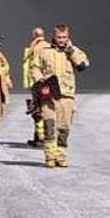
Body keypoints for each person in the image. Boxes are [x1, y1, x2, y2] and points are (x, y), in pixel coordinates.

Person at [29, 24, 89, 168]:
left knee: (63, 127)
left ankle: (60, 157)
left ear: (68, 37)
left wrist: (71, 50)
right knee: (49, 125)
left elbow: (83, 64)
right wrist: (40, 80)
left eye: (64, 37)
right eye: (59, 37)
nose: (62, 40)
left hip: (66, 95)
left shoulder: (73, 51)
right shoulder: (44, 51)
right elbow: (34, 68)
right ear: (54, 37)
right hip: (48, 95)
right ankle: (50, 157)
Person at [21, 27, 49, 148]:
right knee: (42, 108)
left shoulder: (35, 48)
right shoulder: (48, 46)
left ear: (34, 35)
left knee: (38, 110)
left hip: (38, 82)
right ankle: (39, 137)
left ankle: (40, 138)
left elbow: (33, 66)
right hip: (44, 82)